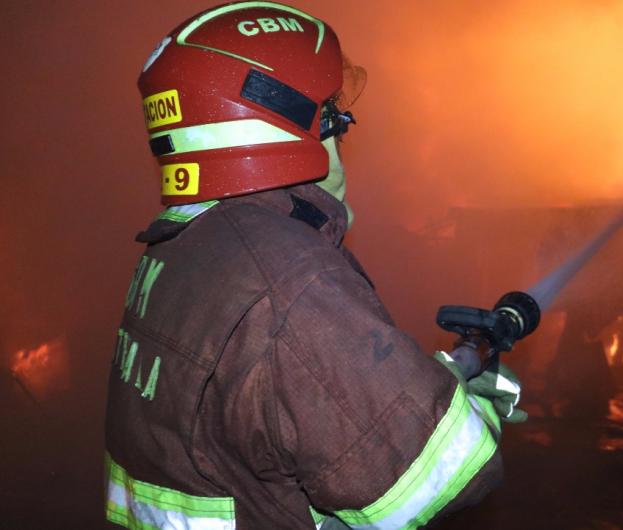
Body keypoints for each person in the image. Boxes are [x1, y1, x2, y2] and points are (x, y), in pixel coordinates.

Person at [104, 3, 522, 528]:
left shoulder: (181, 247)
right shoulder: (291, 282)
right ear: (280, 123)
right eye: (332, 118)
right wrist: (482, 400)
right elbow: (442, 473)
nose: (342, 134)